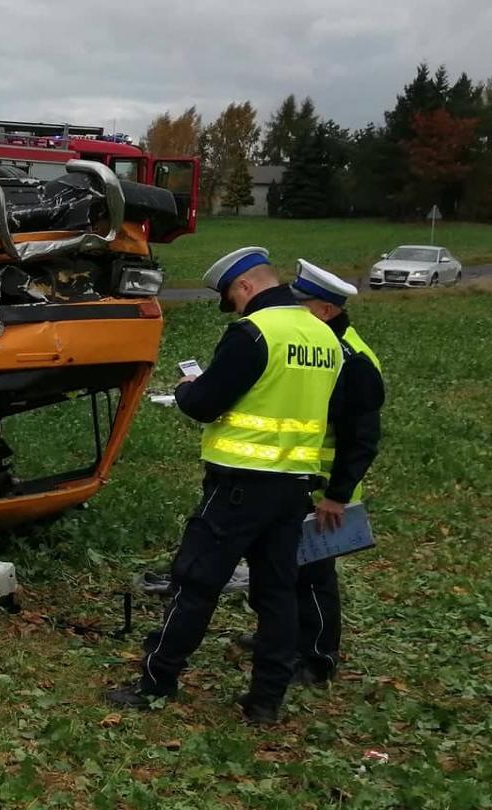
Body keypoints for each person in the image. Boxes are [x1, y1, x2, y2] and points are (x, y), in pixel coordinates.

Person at [105, 246, 344, 726]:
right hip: (295, 485)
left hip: (239, 485)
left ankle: (157, 681)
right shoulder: (324, 338)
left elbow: (205, 403)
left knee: (195, 583)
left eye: (233, 298)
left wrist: (189, 391)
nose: (235, 307)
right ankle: (266, 701)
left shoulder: (254, 332)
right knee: (277, 593)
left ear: (246, 287)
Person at [287, 259, 385, 686]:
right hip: (297, 479)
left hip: (325, 490)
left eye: (301, 305)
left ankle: (317, 658)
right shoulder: (317, 348)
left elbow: (361, 438)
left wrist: (338, 495)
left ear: (325, 310)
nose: (293, 313)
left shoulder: (355, 361)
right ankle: (287, 639)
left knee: (313, 576)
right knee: (285, 568)